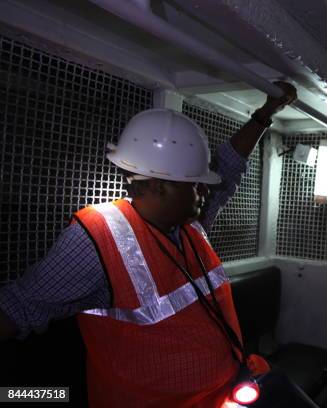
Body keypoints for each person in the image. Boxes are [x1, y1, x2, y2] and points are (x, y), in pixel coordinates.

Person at [0, 82, 306, 407]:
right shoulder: (98, 239)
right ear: (160, 187)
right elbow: (18, 308)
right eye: (197, 184)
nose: (206, 191)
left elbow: (227, 171)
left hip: (230, 389)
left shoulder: (189, 225)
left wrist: (266, 112)